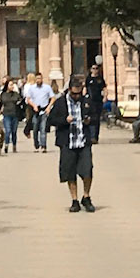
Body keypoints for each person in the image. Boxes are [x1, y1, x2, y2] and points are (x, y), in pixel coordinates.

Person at [47, 73, 96, 212]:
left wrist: (89, 120)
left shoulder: (86, 101)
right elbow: (51, 120)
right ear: (69, 90)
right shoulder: (60, 103)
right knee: (70, 172)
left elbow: (95, 116)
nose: (76, 96)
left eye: (79, 94)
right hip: (68, 142)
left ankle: (86, 196)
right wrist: (64, 120)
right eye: (74, 94)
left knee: (87, 170)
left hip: (83, 141)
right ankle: (74, 200)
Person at [23, 71, 52, 151]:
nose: (38, 80)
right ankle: (36, 144)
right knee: (35, 128)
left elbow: (53, 98)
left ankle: (43, 146)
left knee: (43, 128)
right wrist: (33, 105)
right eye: (37, 79)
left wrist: (49, 107)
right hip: (35, 111)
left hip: (44, 110)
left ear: (42, 79)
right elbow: (28, 99)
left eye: (40, 78)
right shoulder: (31, 88)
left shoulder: (47, 87)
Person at [0, 79, 23, 153]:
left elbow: (20, 100)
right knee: (8, 130)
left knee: (14, 131)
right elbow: (1, 104)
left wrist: (19, 102)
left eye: (13, 84)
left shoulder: (16, 94)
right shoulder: (3, 94)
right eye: (10, 85)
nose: (12, 86)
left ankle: (14, 146)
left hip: (15, 114)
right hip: (7, 114)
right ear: (7, 86)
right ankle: (6, 145)